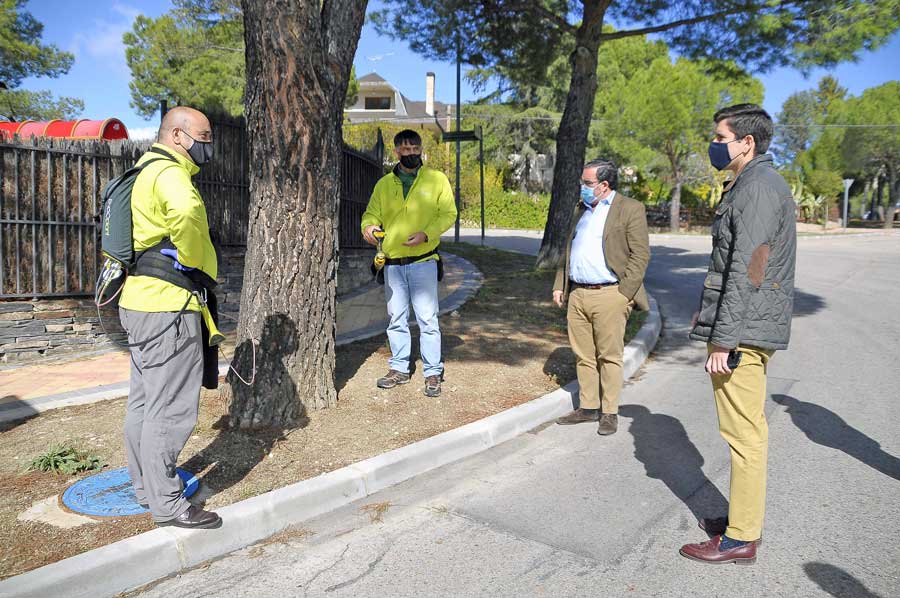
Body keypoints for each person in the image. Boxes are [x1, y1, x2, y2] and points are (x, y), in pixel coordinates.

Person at [680, 104, 796, 565]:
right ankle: (740, 518)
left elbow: (750, 268)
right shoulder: (754, 183)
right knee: (743, 429)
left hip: (743, 333)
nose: (715, 144)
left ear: (747, 143)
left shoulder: (758, 188)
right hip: (741, 325)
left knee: (744, 434)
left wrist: (725, 339)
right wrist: (708, 318)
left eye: (720, 136)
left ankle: (741, 537)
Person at [117, 106, 222, 529]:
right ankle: (168, 504)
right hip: (168, 307)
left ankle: (145, 488)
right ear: (178, 135)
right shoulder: (172, 175)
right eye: (204, 136)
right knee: (171, 409)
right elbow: (185, 216)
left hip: (139, 301)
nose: (208, 145)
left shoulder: (143, 169)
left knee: (143, 402)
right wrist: (199, 262)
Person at [553, 158, 650, 435]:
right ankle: (588, 406)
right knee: (583, 355)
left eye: (587, 184)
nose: (582, 188)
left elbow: (640, 255)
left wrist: (624, 294)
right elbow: (568, 249)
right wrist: (560, 284)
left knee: (609, 356)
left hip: (610, 294)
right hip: (578, 293)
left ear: (604, 186)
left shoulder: (629, 209)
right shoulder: (580, 209)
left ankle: (609, 412)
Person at [361, 129, 457, 397]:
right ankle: (400, 368)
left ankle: (432, 372)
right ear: (396, 152)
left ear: (420, 149)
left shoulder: (436, 180)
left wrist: (427, 233)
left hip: (424, 260)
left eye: (415, 149)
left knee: (428, 319)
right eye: (405, 149)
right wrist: (368, 227)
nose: (411, 153)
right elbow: (371, 214)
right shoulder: (384, 184)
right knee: (396, 318)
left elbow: (449, 213)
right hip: (392, 263)